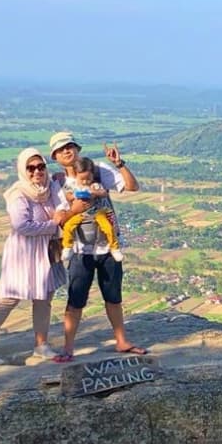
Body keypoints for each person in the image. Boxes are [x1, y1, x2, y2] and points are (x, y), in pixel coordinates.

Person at [47, 131, 146, 358]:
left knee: (113, 296)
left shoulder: (97, 169)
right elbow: (59, 219)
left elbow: (132, 187)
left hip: (108, 247)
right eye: (61, 149)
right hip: (80, 249)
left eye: (70, 146)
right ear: (55, 157)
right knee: (76, 300)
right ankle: (68, 348)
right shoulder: (57, 183)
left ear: (78, 148)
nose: (67, 151)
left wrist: (119, 164)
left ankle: (121, 341)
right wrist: (76, 209)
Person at [0, 147, 71, 366]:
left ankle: (41, 345)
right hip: (23, 252)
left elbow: (62, 204)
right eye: (31, 168)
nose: (37, 171)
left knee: (44, 299)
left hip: (46, 251)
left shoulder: (50, 187)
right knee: (9, 298)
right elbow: (22, 226)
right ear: (23, 170)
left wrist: (60, 213)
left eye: (41, 166)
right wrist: (54, 224)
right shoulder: (18, 194)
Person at [58, 156, 123, 263]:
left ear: (92, 176)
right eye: (82, 179)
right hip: (82, 215)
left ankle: (114, 248)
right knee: (69, 226)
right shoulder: (73, 186)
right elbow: (67, 195)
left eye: (88, 179)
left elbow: (104, 193)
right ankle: (68, 247)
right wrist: (74, 196)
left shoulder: (95, 185)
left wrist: (94, 193)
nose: (85, 182)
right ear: (76, 175)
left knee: (108, 227)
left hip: (97, 212)